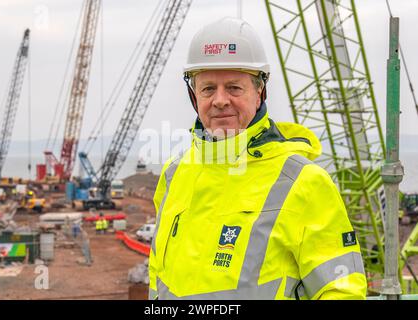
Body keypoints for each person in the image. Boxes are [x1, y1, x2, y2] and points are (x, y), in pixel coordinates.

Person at [148, 17, 367, 300]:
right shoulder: (173, 174)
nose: (220, 100)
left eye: (234, 88)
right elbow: (157, 279)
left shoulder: (302, 181)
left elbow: (341, 291)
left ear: (259, 91)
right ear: (194, 95)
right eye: (208, 88)